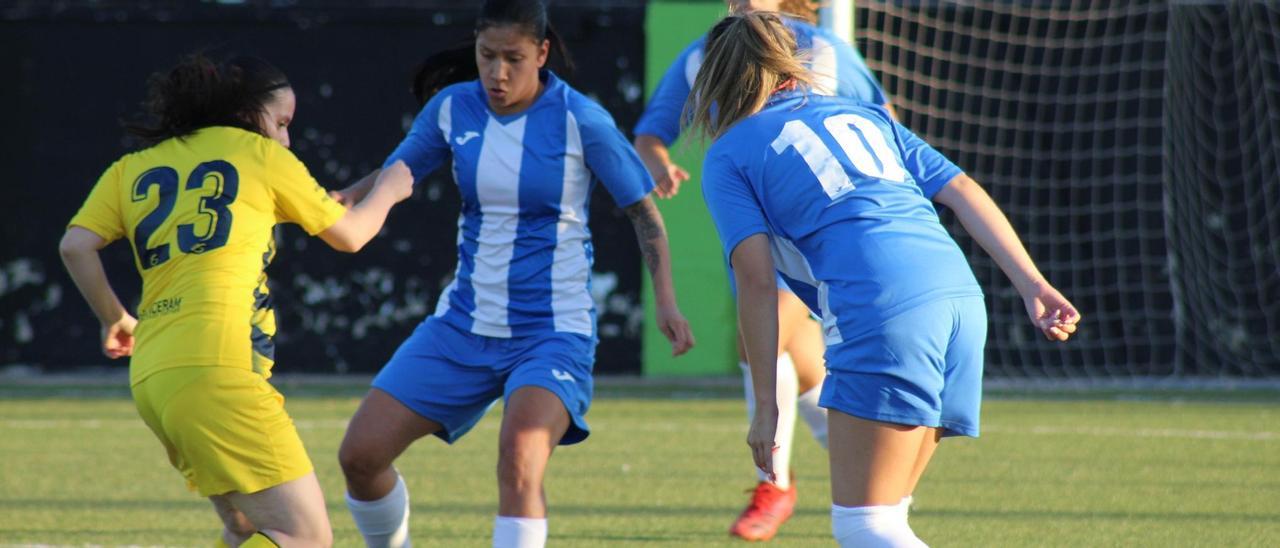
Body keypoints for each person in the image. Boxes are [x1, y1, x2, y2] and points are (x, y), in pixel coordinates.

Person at [689, 12, 1080, 547]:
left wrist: (766, 407)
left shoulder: (729, 154)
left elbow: (757, 282)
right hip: (962, 302)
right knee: (889, 516)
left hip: (883, 308)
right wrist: (1033, 284)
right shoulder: (862, 113)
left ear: (716, 80)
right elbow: (961, 188)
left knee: (864, 526)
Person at [331, 1, 695, 547]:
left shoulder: (582, 120)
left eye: (513, 59)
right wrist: (341, 200)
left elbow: (645, 215)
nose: (498, 73)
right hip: (462, 326)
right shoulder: (452, 109)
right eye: (486, 56)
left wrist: (666, 301)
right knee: (359, 456)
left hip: (552, 334)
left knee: (520, 456)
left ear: (542, 53)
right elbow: (396, 172)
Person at [58, 54, 415, 547]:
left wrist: (115, 318)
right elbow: (351, 236)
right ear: (249, 114)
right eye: (282, 123)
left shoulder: (133, 168)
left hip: (155, 378)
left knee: (244, 526)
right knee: (307, 539)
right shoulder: (260, 156)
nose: (287, 139)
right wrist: (393, 190)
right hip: (220, 370)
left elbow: (75, 245)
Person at [632, 0, 893, 540]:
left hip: (820, 240)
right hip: (754, 236)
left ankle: (771, 480)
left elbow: (884, 121)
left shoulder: (822, 50)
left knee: (762, 343)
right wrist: (659, 161)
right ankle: (863, 461)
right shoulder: (706, 54)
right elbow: (650, 134)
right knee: (802, 371)